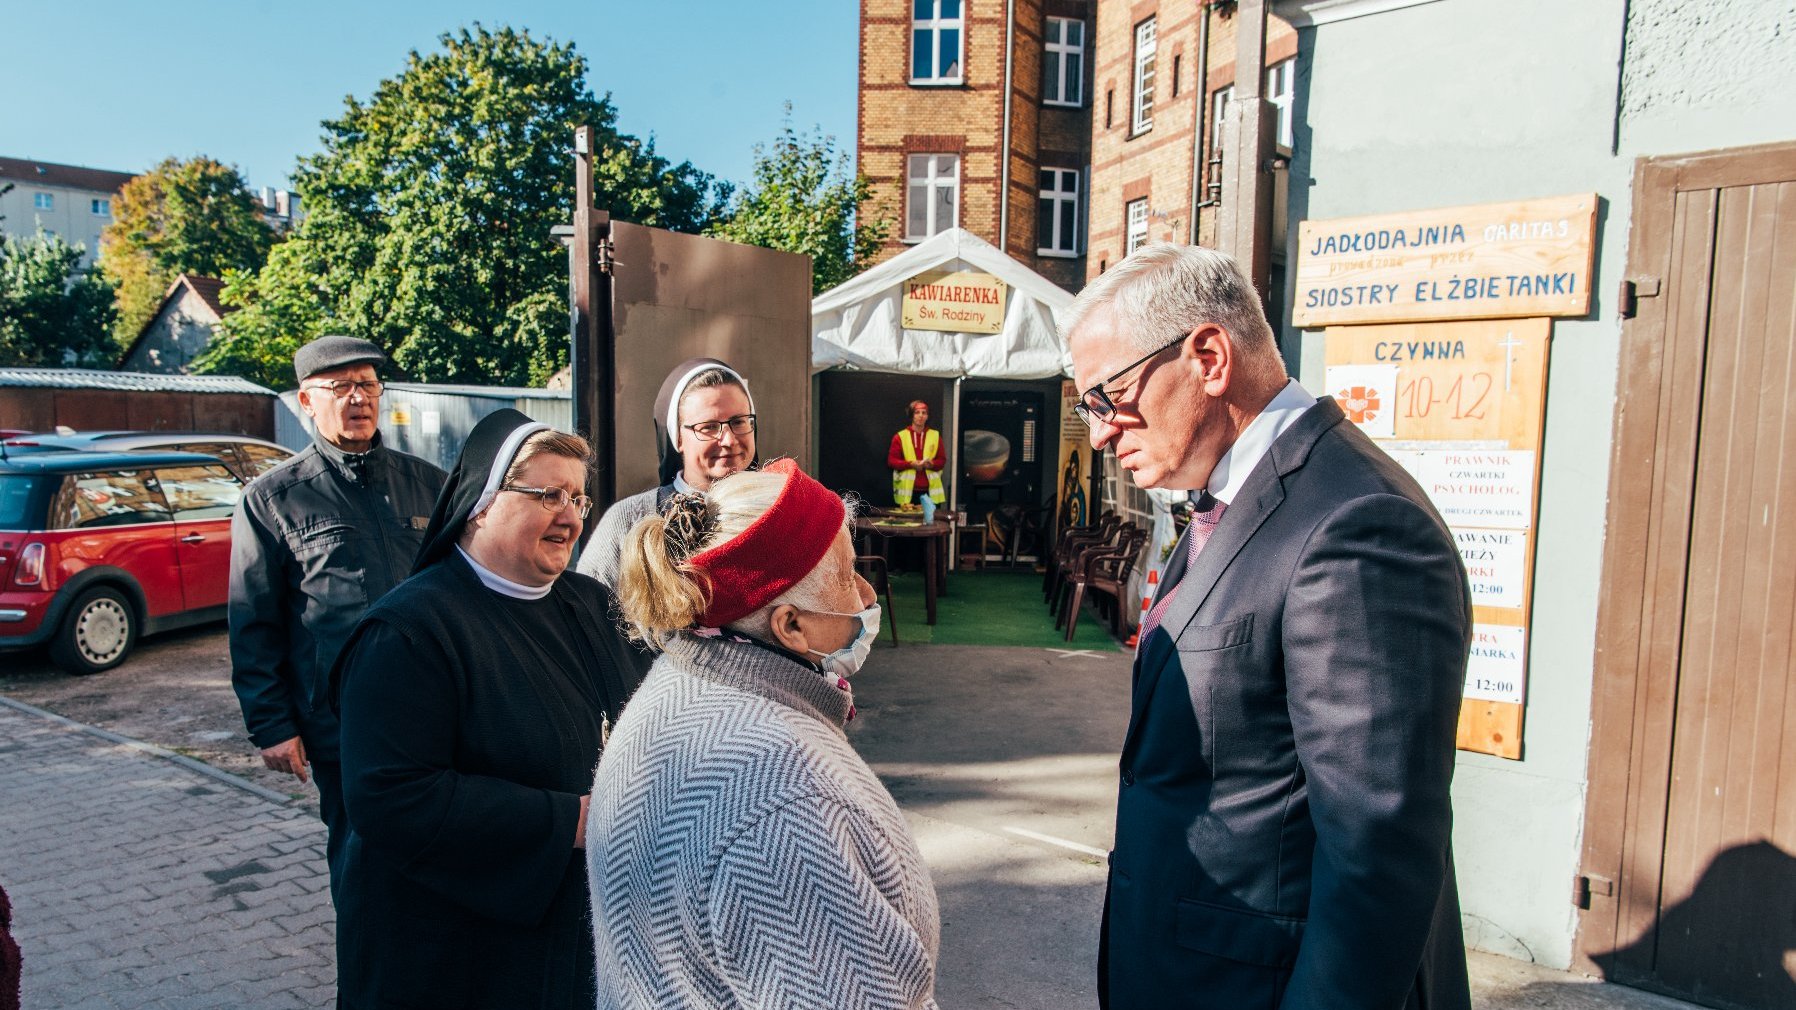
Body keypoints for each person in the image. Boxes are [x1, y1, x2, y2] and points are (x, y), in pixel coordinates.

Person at [1062, 244, 1473, 1010]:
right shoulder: (1238, 492)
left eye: (1108, 395)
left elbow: (1377, 855)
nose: (1100, 434)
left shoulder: (1357, 522)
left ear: (1209, 357)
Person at [588, 459, 942, 1010]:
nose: (868, 595)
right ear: (790, 626)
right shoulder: (784, 804)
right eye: (848, 576)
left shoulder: (683, 681)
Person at [330, 409, 645, 1009]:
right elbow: (389, 796)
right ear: (480, 502)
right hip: (453, 951)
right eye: (549, 494)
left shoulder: (592, 602)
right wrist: (569, 820)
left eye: (579, 497)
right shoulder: (408, 631)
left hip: (566, 929)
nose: (572, 516)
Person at [228, 335, 446, 897]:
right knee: (360, 860)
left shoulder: (426, 483)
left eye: (368, 385)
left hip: (433, 708)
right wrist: (273, 727)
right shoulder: (273, 499)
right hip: (339, 720)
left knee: (439, 848)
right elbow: (254, 622)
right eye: (341, 386)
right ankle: (366, 978)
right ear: (306, 401)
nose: (358, 398)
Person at [576, 358, 757, 587]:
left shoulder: (782, 507)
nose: (729, 440)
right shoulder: (628, 520)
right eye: (709, 427)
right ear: (678, 438)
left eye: (739, 422)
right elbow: (585, 611)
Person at [886, 399, 946, 508]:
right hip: (908, 493)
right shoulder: (900, 436)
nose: (921, 416)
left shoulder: (935, 436)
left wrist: (931, 464)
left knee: (930, 524)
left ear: (927, 416)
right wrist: (911, 464)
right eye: (917, 412)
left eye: (924, 413)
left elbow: (942, 461)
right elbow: (892, 461)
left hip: (930, 492)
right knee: (909, 524)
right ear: (912, 415)